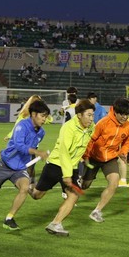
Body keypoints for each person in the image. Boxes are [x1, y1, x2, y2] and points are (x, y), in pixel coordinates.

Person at [0, 100, 51, 230]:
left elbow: (32, 151)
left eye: (46, 116)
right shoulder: (21, 126)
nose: (45, 119)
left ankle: (9, 218)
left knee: (24, 188)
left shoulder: (41, 133)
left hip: (20, 168)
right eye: (43, 116)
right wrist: (37, 152)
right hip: (6, 164)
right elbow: (19, 146)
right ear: (34, 114)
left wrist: (32, 171)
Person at [30, 99, 95, 236]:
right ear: (79, 115)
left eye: (92, 115)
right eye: (88, 115)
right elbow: (64, 152)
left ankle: (55, 224)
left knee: (73, 195)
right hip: (56, 165)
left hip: (72, 166)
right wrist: (66, 175)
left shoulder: (91, 127)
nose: (91, 118)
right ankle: (29, 187)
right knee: (37, 195)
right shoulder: (68, 127)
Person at [81, 98, 129, 223]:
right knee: (84, 185)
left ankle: (97, 211)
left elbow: (128, 141)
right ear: (115, 112)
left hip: (110, 158)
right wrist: (86, 156)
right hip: (93, 158)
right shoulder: (103, 123)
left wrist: (123, 152)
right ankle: (70, 189)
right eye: (122, 114)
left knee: (114, 182)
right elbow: (91, 140)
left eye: (127, 115)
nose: (125, 117)